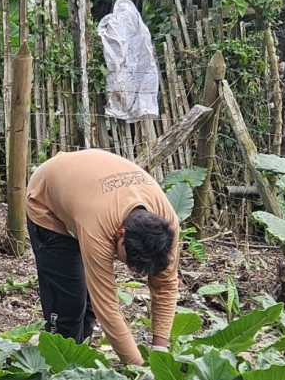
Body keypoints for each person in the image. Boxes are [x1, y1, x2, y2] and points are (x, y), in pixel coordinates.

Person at [25, 149, 179, 366]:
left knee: (87, 309)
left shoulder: (167, 222)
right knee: (69, 303)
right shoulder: (97, 225)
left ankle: (80, 362)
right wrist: (140, 368)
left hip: (88, 189)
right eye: (127, 261)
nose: (131, 270)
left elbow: (165, 287)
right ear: (120, 234)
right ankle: (59, 370)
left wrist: (160, 352)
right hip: (46, 199)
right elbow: (107, 306)